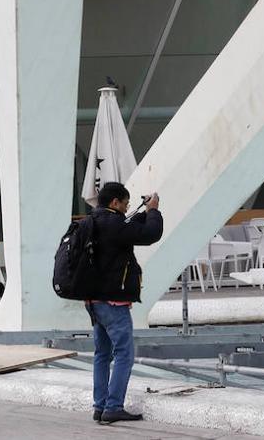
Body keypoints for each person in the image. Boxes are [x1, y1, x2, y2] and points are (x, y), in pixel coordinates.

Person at [86, 181, 163, 424]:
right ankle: (113, 407)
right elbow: (151, 234)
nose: (126, 208)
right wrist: (154, 211)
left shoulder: (92, 222)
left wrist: (141, 212)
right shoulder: (112, 223)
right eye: (125, 204)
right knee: (124, 354)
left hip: (93, 299)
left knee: (102, 354)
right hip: (113, 302)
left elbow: (127, 229)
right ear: (114, 202)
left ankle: (100, 406)